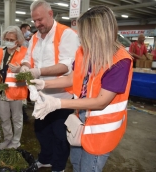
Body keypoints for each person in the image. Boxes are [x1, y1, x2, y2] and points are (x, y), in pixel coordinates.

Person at [30, 5, 133, 172]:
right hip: (81, 119)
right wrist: (44, 83)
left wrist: (58, 103)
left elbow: (101, 102)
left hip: (101, 129)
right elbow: (73, 78)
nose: (81, 38)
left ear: (98, 33)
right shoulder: (84, 52)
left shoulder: (120, 61)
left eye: (84, 33)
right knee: (76, 163)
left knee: (88, 168)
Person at [16, 0, 80, 171]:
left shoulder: (67, 34)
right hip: (41, 96)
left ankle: (58, 166)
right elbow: (28, 58)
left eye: (40, 20)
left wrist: (39, 71)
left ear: (50, 14)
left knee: (60, 135)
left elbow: (67, 66)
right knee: (42, 131)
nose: (37, 24)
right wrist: (24, 67)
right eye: (34, 21)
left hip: (62, 97)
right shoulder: (35, 37)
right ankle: (45, 159)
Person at [0, 26, 28, 150]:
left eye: (11, 39)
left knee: (17, 118)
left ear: (18, 40)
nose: (8, 41)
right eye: (6, 38)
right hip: (1, 90)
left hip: (16, 91)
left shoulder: (24, 52)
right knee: (4, 118)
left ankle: (16, 141)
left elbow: (28, 71)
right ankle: (8, 139)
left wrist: (21, 69)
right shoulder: (1, 51)